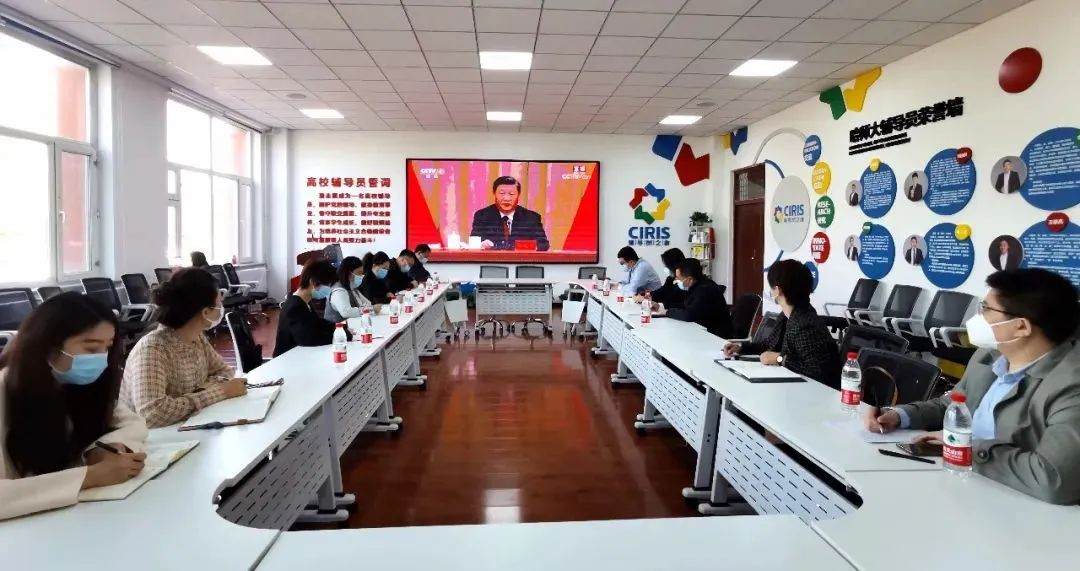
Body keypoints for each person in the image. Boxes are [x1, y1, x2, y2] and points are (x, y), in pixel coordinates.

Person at [864, 268, 1080, 505]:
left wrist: (964, 447)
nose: (978, 317)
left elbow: (1053, 479)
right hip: (962, 480)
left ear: (1021, 326)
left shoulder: (1071, 386)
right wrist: (898, 416)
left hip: (1015, 506)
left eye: (986, 309)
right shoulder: (989, 356)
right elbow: (952, 403)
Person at [1, 293, 149, 520]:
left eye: (107, 347)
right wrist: (90, 476)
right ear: (48, 346)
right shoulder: (6, 391)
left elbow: (133, 423)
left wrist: (103, 449)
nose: (102, 359)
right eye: (91, 349)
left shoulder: (77, 383)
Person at [121, 268, 248, 428]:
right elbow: (151, 413)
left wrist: (199, 393)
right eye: (219, 303)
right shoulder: (153, 349)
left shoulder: (197, 337)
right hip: (147, 437)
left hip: (185, 425)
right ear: (205, 312)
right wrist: (221, 392)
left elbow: (224, 371)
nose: (221, 308)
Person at [724, 259, 842, 388]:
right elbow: (769, 344)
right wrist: (741, 347)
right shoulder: (787, 315)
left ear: (778, 290)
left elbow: (816, 371)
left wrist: (779, 358)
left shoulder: (804, 325)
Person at [275, 260, 350, 357]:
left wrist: (341, 328)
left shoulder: (303, 301)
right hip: (288, 360)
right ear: (313, 282)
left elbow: (318, 323)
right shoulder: (295, 307)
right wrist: (343, 336)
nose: (329, 289)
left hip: (301, 355)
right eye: (328, 285)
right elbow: (309, 339)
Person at [470, 176, 550, 251]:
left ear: (518, 195)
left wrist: (523, 246)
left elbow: (543, 244)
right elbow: (473, 243)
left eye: (511, 194)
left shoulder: (531, 218)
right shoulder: (482, 216)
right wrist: (482, 244)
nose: (506, 198)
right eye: (502, 193)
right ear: (494, 194)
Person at [658, 259, 732, 338]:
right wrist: (662, 305)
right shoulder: (697, 285)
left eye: (679, 278)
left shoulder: (705, 289)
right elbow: (686, 304)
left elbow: (689, 315)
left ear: (690, 279)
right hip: (703, 330)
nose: (676, 281)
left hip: (716, 336)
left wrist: (667, 312)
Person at [324, 255, 376, 323]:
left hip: (351, 324)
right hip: (336, 327)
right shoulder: (338, 290)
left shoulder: (351, 287)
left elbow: (366, 303)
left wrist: (372, 308)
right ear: (348, 273)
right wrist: (371, 309)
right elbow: (346, 312)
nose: (361, 276)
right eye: (359, 273)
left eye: (362, 273)